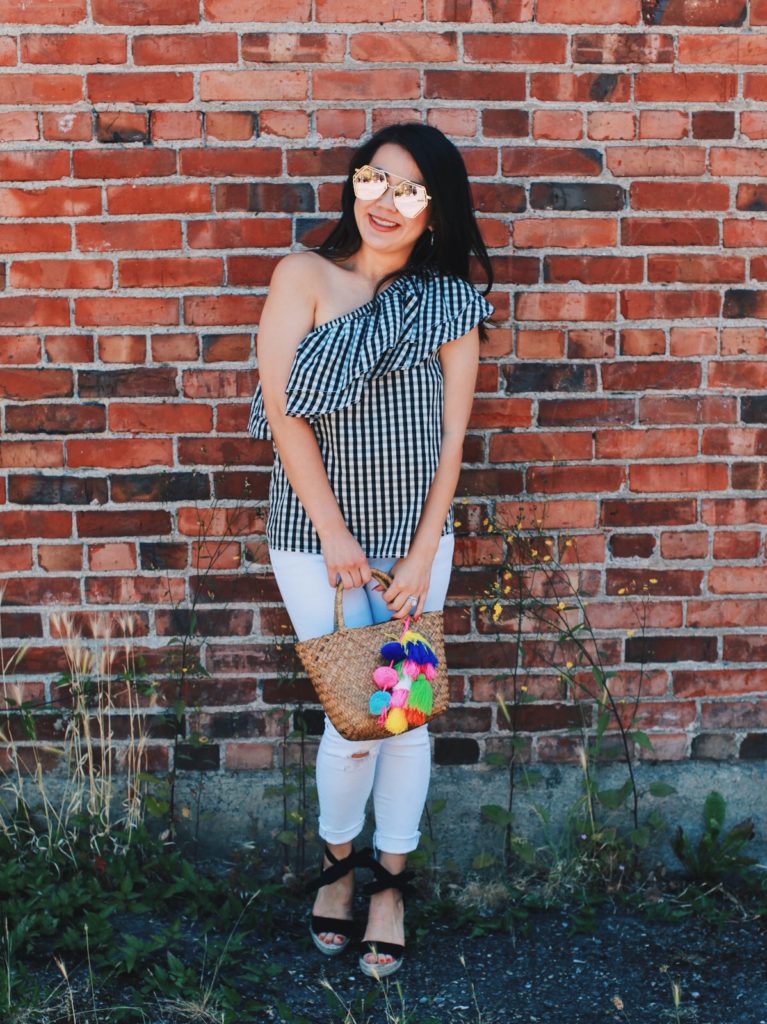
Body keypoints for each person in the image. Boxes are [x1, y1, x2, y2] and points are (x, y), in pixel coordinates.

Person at [247, 121, 494, 978]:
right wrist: (335, 535)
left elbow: (454, 440)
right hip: (311, 539)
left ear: (436, 210)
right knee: (353, 721)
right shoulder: (303, 276)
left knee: (405, 718)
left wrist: (424, 551)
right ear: (354, 184)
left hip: (414, 541)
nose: (386, 202)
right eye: (373, 179)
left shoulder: (446, 300)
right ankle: (338, 868)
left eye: (410, 190)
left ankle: (390, 884)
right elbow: (283, 414)